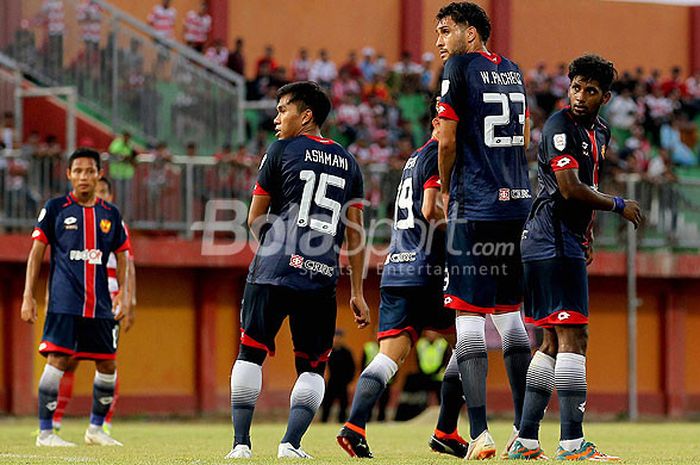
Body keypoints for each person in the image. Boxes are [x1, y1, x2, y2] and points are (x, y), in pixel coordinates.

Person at [226, 81, 370, 459]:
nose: (276, 118)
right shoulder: (350, 164)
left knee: (250, 352)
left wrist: (275, 250)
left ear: (306, 116)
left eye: (282, 110)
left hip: (273, 268)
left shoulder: (281, 150)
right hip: (320, 276)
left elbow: (255, 218)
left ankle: (241, 445)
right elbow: (355, 234)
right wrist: (356, 291)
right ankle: (290, 444)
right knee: (312, 366)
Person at [509, 54, 641, 462]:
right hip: (552, 240)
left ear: (605, 97)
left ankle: (526, 441)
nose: (580, 96)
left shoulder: (599, 131)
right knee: (574, 338)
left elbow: (587, 186)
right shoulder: (559, 126)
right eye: (576, 87)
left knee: (549, 341)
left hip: (560, 240)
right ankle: (571, 443)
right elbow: (568, 187)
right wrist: (619, 205)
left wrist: (587, 233)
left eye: (590, 90)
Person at [337, 103, 468, 459]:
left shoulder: (413, 159)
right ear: (437, 123)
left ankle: (355, 426)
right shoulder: (436, 156)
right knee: (468, 340)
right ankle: (446, 430)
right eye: (454, 124)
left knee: (388, 357)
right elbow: (431, 209)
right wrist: (465, 231)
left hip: (397, 267)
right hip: (429, 270)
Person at [435, 2, 534, 459]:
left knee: (469, 316)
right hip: (519, 203)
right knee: (512, 317)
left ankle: (479, 433)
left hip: (476, 205)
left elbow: (448, 138)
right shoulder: (512, 69)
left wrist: (444, 189)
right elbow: (526, 135)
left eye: (446, 31)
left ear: (470, 34)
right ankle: (524, 431)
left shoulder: (459, 66)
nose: (439, 41)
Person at [21, 149, 130, 447]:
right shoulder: (55, 208)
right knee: (58, 359)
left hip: (101, 305)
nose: (84, 176)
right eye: (78, 171)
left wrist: (125, 293)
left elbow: (123, 257)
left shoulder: (110, 214)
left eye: (89, 171)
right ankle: (46, 432)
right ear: (69, 174)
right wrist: (28, 295)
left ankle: (96, 430)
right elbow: (36, 253)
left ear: (98, 175)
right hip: (64, 303)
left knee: (108, 364)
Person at [52, 177, 137, 434]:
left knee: (107, 362)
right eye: (95, 191)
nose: (98, 196)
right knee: (67, 361)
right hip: (76, 301)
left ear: (110, 196)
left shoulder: (115, 224)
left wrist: (129, 300)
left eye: (103, 192)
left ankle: (104, 424)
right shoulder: (73, 220)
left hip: (108, 302)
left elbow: (128, 266)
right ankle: (54, 422)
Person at [321, 329, 356, 423]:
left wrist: (349, 380)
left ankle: (342, 421)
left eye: (339, 337)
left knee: (343, 403)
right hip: (331, 381)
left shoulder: (346, 352)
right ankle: (324, 420)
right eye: (335, 337)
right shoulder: (329, 351)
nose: (337, 339)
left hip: (343, 382)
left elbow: (352, 367)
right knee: (327, 403)